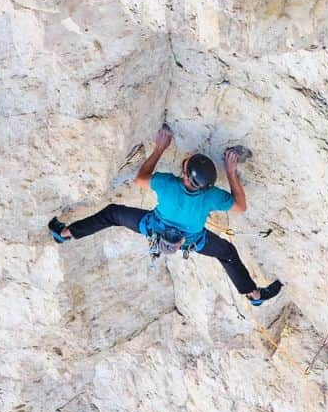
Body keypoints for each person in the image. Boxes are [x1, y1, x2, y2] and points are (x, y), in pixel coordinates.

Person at [48, 124, 283, 305]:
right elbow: (240, 206)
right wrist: (231, 171)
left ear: (183, 174)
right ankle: (253, 294)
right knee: (228, 254)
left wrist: (160, 148)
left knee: (112, 214)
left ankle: (66, 233)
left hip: (153, 227)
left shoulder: (167, 184)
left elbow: (140, 179)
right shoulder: (210, 196)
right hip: (191, 241)